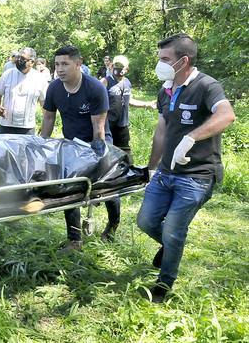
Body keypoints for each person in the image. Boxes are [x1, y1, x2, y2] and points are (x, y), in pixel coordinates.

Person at [136, 33, 236, 303]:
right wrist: (152, 168)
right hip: (166, 173)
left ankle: (164, 286)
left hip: (197, 176)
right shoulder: (165, 88)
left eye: (165, 59)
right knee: (145, 221)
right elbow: (161, 131)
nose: (160, 64)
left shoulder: (206, 86)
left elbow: (226, 115)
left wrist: (192, 137)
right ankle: (169, 248)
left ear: (183, 61)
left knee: (173, 231)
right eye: (159, 58)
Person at [39, 44, 111, 253]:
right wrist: (41, 146)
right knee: (69, 188)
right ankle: (75, 240)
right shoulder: (54, 88)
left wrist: (98, 159)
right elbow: (48, 119)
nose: (60, 69)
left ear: (78, 63)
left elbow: (98, 129)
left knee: (108, 189)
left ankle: (112, 225)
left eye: (65, 64)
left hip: (98, 143)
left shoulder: (95, 88)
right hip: (71, 145)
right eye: (57, 65)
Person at [96, 55, 157, 242]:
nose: (118, 69)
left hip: (122, 129)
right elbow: (95, 103)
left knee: (125, 165)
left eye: (122, 67)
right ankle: (100, 194)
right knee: (105, 167)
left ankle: (117, 200)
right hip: (106, 130)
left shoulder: (127, 82)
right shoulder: (104, 82)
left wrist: (147, 104)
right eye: (116, 66)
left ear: (127, 69)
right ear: (112, 66)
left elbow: (128, 101)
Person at [0, 47, 48, 135]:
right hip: (5, 125)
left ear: (32, 62)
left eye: (23, 59)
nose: (19, 60)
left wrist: (44, 123)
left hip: (27, 128)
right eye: (18, 57)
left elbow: (44, 103)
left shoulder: (40, 79)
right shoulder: (7, 74)